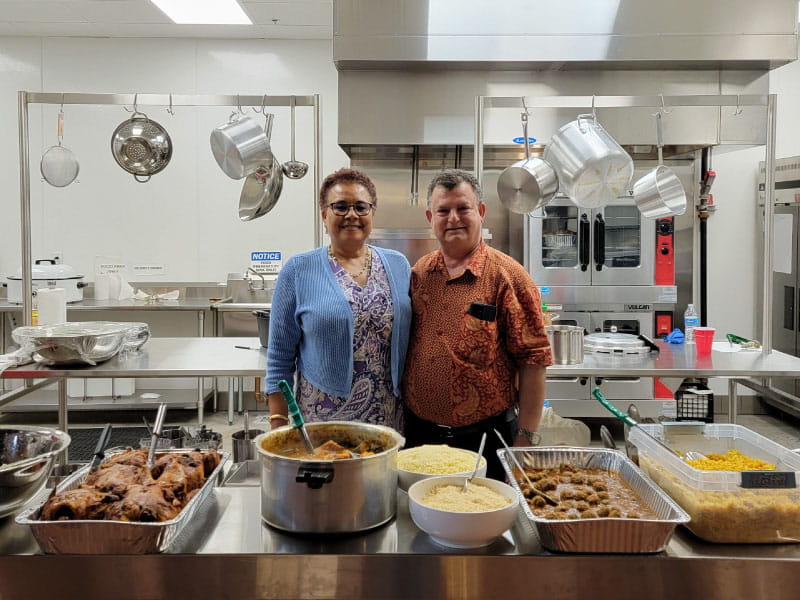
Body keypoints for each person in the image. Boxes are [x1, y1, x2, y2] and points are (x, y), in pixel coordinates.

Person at [402, 168, 552, 479]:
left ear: (481, 212)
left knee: (483, 522)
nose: (453, 218)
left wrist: (525, 439)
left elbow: (534, 363)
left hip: (485, 441)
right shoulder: (419, 274)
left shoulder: (510, 278)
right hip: (420, 437)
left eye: (463, 208)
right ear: (431, 217)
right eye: (443, 210)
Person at [265, 168, 412, 432]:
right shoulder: (298, 270)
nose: (352, 215)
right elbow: (279, 356)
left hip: (389, 420)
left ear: (372, 213)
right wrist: (279, 424)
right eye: (340, 207)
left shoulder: (398, 265)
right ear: (324, 215)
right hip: (324, 421)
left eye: (361, 207)